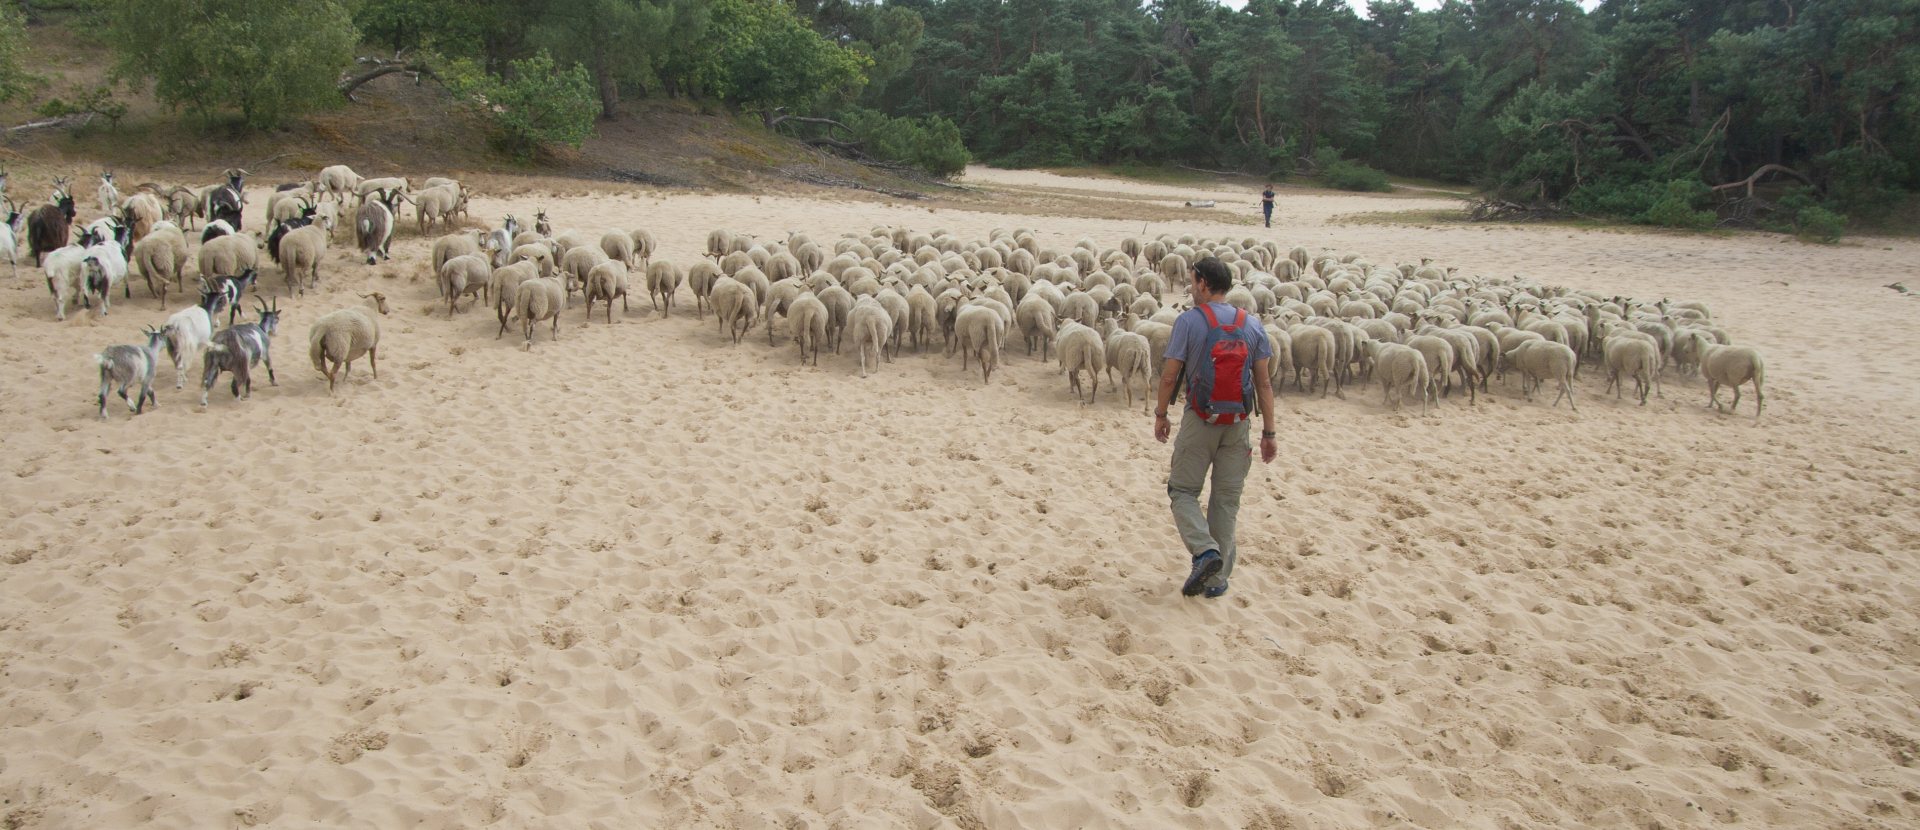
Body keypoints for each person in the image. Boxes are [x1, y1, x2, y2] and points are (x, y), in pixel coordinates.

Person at [1153, 257, 1278, 599]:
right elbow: (1264, 384)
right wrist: (1269, 433)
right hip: (1238, 424)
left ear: (1204, 284)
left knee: (1182, 491)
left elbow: (1169, 375)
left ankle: (1205, 551)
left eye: (1193, 282)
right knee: (1225, 501)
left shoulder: (1189, 322)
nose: (1191, 288)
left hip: (1200, 420)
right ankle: (1217, 579)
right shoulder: (1251, 325)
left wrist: (1161, 414)